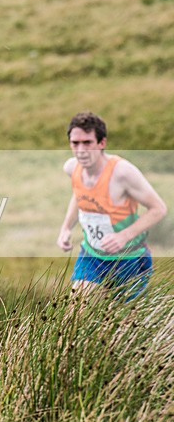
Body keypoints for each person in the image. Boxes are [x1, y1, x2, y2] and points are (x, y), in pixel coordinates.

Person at [57, 112, 167, 299]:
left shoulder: (122, 173)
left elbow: (159, 209)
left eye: (87, 143)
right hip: (91, 256)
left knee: (123, 316)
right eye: (75, 143)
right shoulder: (71, 167)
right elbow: (79, 195)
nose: (81, 150)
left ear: (102, 143)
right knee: (77, 309)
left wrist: (123, 236)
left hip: (128, 259)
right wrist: (66, 228)